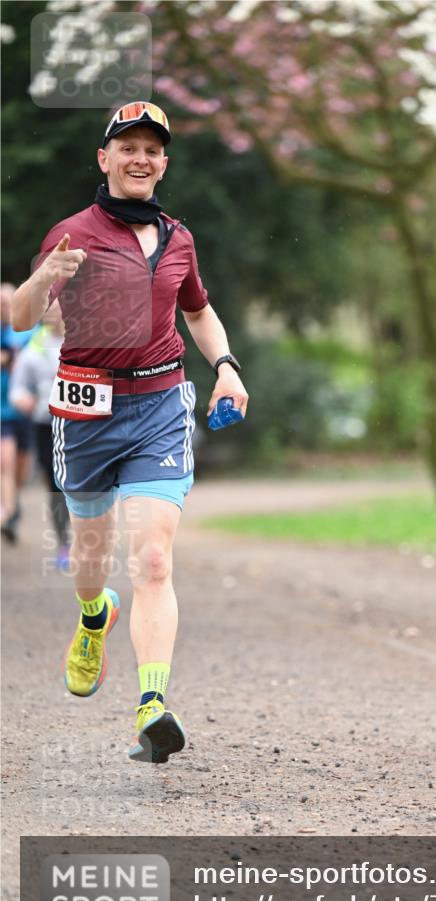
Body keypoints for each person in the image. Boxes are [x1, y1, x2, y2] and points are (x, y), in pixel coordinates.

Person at [11, 101, 248, 764]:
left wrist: (225, 367)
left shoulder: (178, 238)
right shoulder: (72, 232)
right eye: (128, 147)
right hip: (85, 413)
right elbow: (23, 317)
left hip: (159, 406)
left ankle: (152, 704)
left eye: (152, 149)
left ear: (163, 163)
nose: (140, 158)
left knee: (152, 559)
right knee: (91, 564)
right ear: (104, 159)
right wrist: (44, 277)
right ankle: (93, 617)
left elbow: (198, 313)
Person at [9, 301, 70, 569]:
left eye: (57, 307)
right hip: (46, 425)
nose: (52, 313)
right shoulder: (33, 348)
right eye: (47, 308)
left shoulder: (85, 340)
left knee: (85, 483)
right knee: (56, 484)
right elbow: (17, 389)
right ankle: (64, 543)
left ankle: (91, 540)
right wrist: (24, 400)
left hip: (83, 424)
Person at [1, 282, 35, 543]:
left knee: (21, 470)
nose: (5, 307)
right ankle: (9, 515)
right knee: (6, 463)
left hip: (25, 411)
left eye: (8, 302)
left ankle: (14, 503)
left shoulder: (29, 332)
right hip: (2, 412)